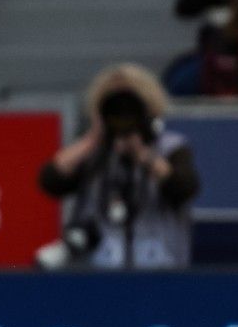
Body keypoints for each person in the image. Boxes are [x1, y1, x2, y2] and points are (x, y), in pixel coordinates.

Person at [39, 62, 199, 268]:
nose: (123, 115)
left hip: (160, 266)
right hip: (101, 267)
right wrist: (93, 139)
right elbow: (51, 180)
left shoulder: (170, 146)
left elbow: (185, 188)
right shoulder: (94, 151)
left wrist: (142, 154)